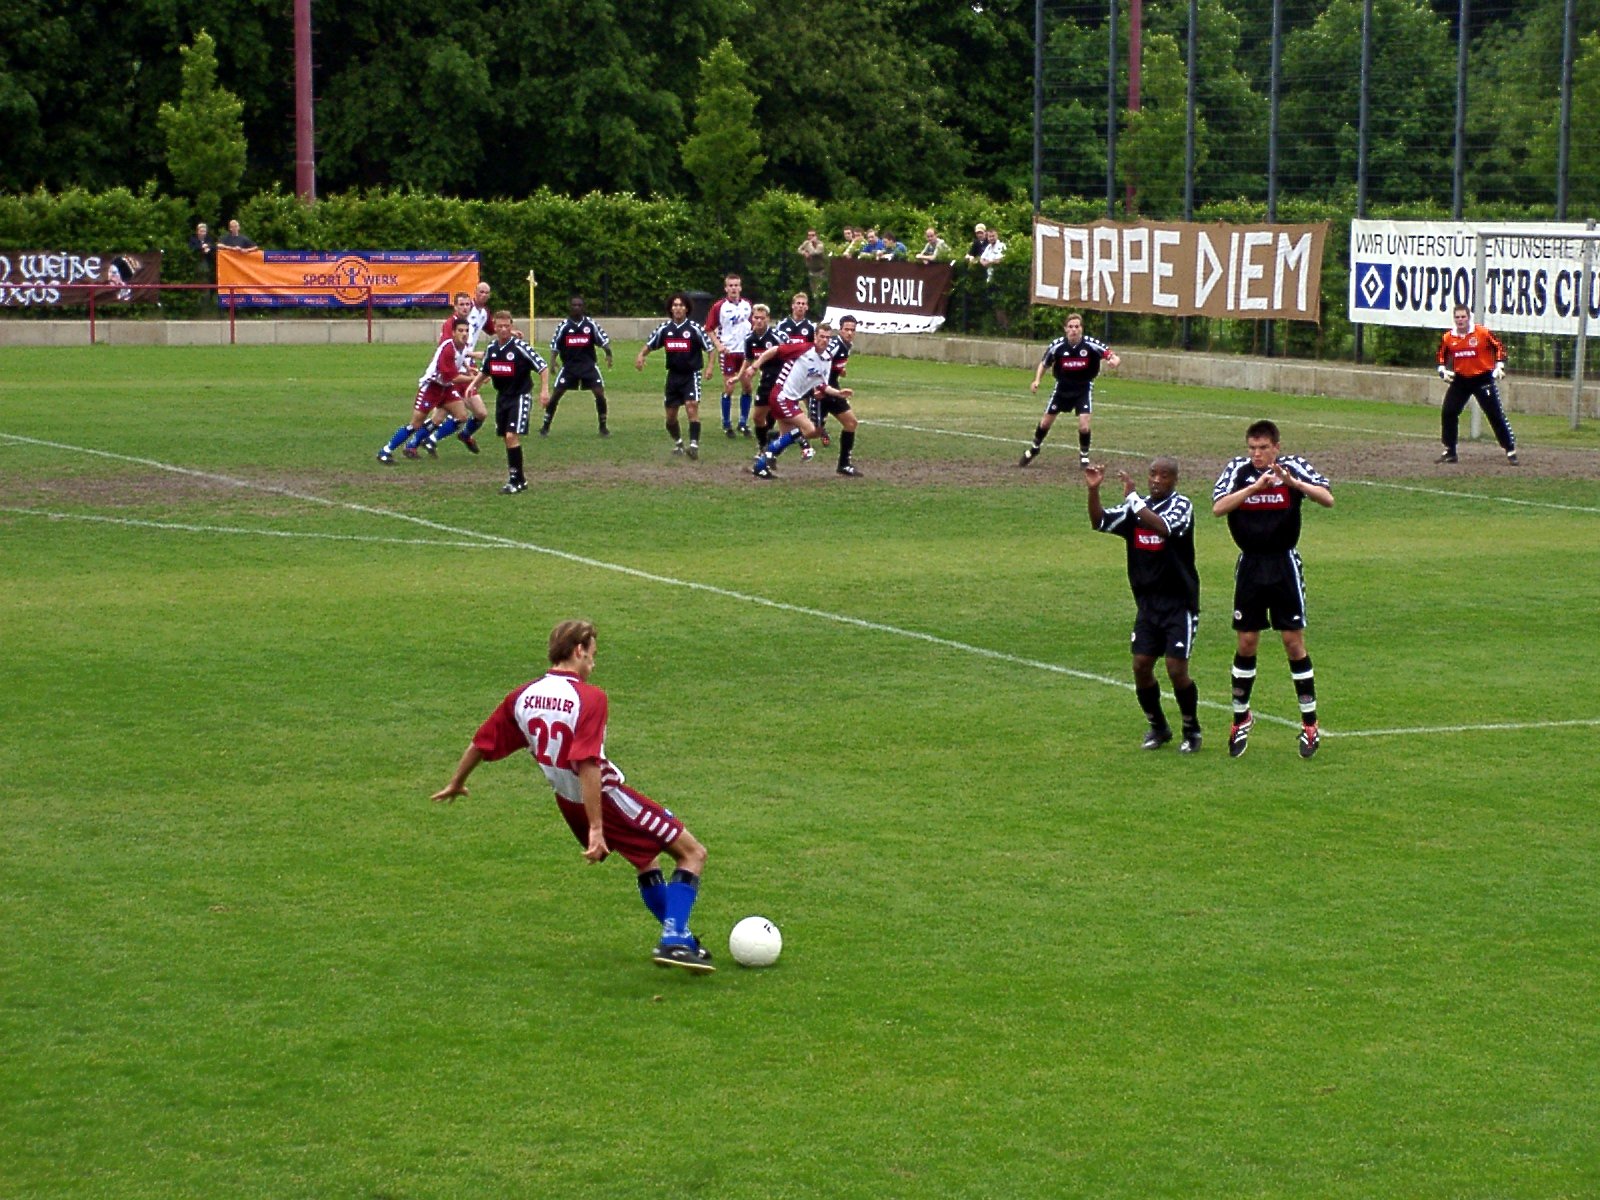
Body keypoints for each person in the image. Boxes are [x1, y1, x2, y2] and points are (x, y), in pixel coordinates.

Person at [431, 619, 715, 973]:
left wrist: (457, 781)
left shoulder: (523, 696)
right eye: (593, 655)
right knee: (692, 853)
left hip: (568, 803)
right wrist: (597, 827)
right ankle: (673, 940)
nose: (593, 665)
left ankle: (683, 940)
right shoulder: (589, 698)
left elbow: (482, 742)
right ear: (578, 650)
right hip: (606, 798)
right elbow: (587, 763)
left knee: (647, 861)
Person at [1211, 420, 1335, 759]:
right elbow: (1218, 508)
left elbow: (1327, 498)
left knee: (1293, 642)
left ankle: (1309, 724)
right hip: (1250, 565)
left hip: (1283, 566)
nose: (1257, 454)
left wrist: (1292, 483)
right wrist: (1253, 488)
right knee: (1247, 641)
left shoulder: (1292, 467)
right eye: (1252, 448)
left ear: (1276, 447)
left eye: (1263, 448)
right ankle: (1241, 717)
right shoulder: (1238, 470)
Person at [1086, 458, 1203, 753]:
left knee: (1176, 668)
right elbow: (1099, 521)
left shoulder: (1181, 507)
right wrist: (1094, 491)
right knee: (1140, 666)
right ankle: (1159, 727)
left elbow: (1164, 528)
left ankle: (1191, 729)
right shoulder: (1134, 508)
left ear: (1174, 480)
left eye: (1164, 476)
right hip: (1148, 605)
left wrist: (1133, 499)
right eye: (1152, 474)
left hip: (1179, 604)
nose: (1156, 480)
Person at [743, 322, 853, 478]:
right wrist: (755, 366)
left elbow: (821, 384)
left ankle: (762, 464)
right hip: (782, 396)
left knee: (786, 438)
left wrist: (838, 393)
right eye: (821, 336)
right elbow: (775, 350)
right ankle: (767, 453)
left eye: (828, 338)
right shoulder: (803, 349)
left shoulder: (827, 359)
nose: (825, 340)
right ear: (815, 337)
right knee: (811, 430)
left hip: (791, 400)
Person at [467, 309, 551, 494]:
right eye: (500, 326)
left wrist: (544, 391)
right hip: (502, 397)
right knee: (507, 437)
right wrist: (473, 385)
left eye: (507, 326)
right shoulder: (492, 348)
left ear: (511, 327)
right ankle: (520, 479)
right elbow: (486, 370)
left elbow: (542, 367)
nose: (503, 329)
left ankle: (515, 479)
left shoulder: (520, 347)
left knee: (512, 435)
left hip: (520, 396)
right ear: (494, 328)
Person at [1021, 313, 1120, 469]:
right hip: (1062, 389)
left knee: (1084, 425)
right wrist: (1037, 380)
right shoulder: (1058, 345)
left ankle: (1084, 456)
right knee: (1045, 423)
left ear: (1081, 329)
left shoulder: (1090, 344)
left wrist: (1114, 361)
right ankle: (1035, 447)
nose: (1074, 330)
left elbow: (1111, 355)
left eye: (1077, 327)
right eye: (1071, 327)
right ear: (1065, 329)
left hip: (1083, 388)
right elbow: (1044, 364)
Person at [376, 318, 476, 464]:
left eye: (467, 331)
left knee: (461, 416)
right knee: (415, 424)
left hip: (445, 388)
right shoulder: (448, 348)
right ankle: (385, 451)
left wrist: (470, 370)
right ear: (453, 332)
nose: (464, 334)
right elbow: (452, 376)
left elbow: (460, 362)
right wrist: (474, 378)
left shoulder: (462, 347)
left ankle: (422, 441)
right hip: (431, 387)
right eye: (460, 330)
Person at [634, 291, 714, 459]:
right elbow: (650, 344)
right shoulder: (665, 329)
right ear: (671, 309)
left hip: (691, 375)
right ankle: (678, 443)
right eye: (675, 305)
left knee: (692, 406)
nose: (678, 308)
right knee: (670, 417)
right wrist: (641, 355)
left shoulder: (694, 329)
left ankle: (693, 445)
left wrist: (709, 367)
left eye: (681, 305)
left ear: (686, 309)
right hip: (673, 376)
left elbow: (710, 349)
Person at [1436, 303, 1518, 466]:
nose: (1460, 320)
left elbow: (1499, 348)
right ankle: (1450, 450)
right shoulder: (1448, 338)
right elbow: (1441, 356)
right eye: (1457, 317)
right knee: (1449, 412)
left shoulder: (1482, 333)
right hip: (1461, 380)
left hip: (1482, 379)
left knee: (1494, 414)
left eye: (1463, 317)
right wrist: (1442, 370)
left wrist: (1499, 365)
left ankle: (1510, 449)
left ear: (1469, 317)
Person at [543, 294, 615, 438]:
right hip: (569, 367)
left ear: (583, 308)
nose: (576, 308)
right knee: (556, 395)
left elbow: (603, 340)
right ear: (570, 307)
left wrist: (608, 353)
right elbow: (555, 345)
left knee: (600, 394)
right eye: (574, 305)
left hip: (588, 366)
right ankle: (545, 426)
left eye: (579, 305)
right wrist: (552, 362)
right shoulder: (564, 326)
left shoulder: (590, 324)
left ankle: (603, 427)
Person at [706, 273, 755, 438]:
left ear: (740, 287)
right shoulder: (719, 307)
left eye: (736, 285)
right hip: (728, 352)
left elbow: (754, 325)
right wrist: (718, 345)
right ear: (726, 288)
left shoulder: (747, 305)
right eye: (731, 286)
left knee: (747, 386)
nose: (734, 288)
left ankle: (743, 422)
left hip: (745, 353)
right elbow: (709, 328)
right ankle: (727, 424)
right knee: (729, 387)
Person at [743, 303, 785, 450]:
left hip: (782, 380)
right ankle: (764, 445)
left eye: (762, 318)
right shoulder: (749, 339)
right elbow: (747, 360)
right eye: (756, 318)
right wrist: (740, 376)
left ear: (768, 319)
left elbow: (793, 354)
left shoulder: (778, 337)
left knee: (782, 415)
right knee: (757, 417)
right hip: (765, 379)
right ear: (752, 319)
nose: (759, 321)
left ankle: (768, 446)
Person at [797, 229, 830, 301]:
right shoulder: (806, 243)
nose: (811, 237)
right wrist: (804, 253)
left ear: (816, 236)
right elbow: (799, 249)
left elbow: (814, 253)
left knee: (821, 292)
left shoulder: (820, 244)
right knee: (814, 293)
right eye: (809, 235)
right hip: (811, 271)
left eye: (813, 235)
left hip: (820, 272)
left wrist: (809, 245)